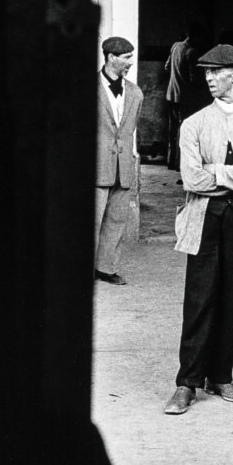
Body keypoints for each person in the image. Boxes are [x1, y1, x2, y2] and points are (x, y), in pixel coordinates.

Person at [164, 44, 233, 415]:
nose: (210, 78)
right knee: (199, 299)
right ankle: (186, 383)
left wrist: (218, 173)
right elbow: (193, 180)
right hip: (204, 218)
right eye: (207, 72)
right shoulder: (193, 124)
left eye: (217, 71)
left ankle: (221, 377)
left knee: (231, 300)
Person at [95, 35, 144, 285]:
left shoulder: (135, 93)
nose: (130, 62)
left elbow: (130, 129)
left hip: (123, 166)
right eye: (126, 57)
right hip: (95, 165)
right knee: (91, 220)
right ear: (111, 57)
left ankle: (106, 268)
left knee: (116, 219)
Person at [164, 21, 209, 175]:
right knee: (185, 132)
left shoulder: (176, 46)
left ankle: (171, 161)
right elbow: (194, 79)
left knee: (173, 130)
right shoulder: (192, 52)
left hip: (171, 95)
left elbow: (166, 67)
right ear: (197, 36)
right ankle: (180, 165)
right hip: (186, 99)